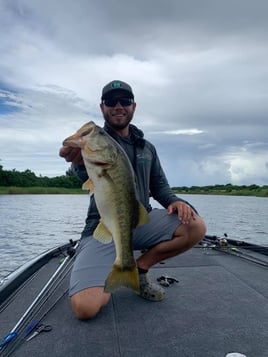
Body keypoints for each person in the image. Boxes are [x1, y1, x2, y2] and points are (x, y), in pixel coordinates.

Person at [59, 80, 206, 320]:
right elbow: (83, 174)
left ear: (133, 106)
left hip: (139, 220)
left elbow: (160, 186)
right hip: (102, 226)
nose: (118, 106)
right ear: (102, 107)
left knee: (195, 225)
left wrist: (177, 201)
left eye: (124, 101)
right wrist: (75, 160)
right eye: (111, 101)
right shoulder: (94, 148)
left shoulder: (147, 148)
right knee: (86, 308)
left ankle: (138, 269)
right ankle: (112, 269)